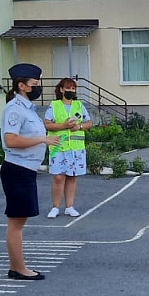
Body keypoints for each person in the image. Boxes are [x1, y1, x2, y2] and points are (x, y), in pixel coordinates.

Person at [0, 63, 62, 281]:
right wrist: (42, 139)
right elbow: (11, 140)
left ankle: (16, 266)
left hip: (25, 170)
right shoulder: (15, 109)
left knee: (19, 220)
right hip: (17, 170)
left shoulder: (28, 109)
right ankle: (18, 269)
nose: (38, 87)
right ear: (22, 86)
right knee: (16, 222)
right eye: (34, 83)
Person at [44, 78, 93, 219]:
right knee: (58, 177)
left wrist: (80, 126)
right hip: (57, 146)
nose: (71, 91)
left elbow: (89, 122)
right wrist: (63, 126)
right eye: (68, 88)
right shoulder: (54, 105)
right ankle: (55, 207)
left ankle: (69, 207)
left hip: (76, 148)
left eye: (73, 88)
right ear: (61, 90)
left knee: (72, 176)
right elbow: (47, 124)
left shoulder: (79, 105)